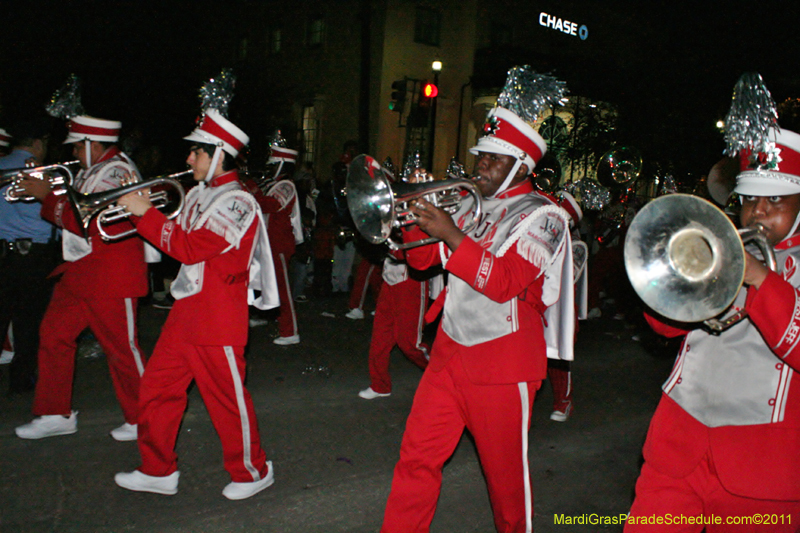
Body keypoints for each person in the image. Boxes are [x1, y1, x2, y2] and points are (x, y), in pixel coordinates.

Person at [380, 68, 572, 532]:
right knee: (416, 458)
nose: (480, 165)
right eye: (481, 155)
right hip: (449, 351)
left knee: (505, 485)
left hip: (503, 364)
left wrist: (449, 231)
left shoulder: (545, 216)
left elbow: (504, 282)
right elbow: (423, 262)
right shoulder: (468, 203)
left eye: (493, 158)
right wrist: (414, 216)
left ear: (521, 166)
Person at [625, 134, 800, 526]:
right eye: (749, 199)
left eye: (775, 199)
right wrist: (685, 273)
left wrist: (759, 278)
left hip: (763, 469)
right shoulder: (724, 245)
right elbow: (662, 326)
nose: (758, 212)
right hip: (678, 446)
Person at [114, 108, 279, 500]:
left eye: (196, 152)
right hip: (187, 309)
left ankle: (253, 472)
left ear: (218, 154)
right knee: (156, 388)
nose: (189, 159)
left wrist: (145, 213)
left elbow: (189, 248)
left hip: (218, 314)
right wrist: (139, 208)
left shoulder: (238, 202)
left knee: (227, 400)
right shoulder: (199, 193)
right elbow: (173, 239)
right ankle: (157, 470)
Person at [14, 114, 148, 442]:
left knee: (122, 349)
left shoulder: (117, 172)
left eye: (77, 147)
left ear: (93, 145)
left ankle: (145, 417)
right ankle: (54, 413)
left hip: (111, 274)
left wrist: (47, 196)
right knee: (53, 335)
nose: (72, 153)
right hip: (81, 270)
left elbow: (89, 221)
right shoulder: (93, 170)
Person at [0, 117, 59, 396]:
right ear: (37, 144)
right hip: (34, 255)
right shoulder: (41, 172)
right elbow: (54, 213)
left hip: (2, 254)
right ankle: (21, 380)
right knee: (30, 321)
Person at [246, 138, 303, 345]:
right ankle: (263, 314)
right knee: (260, 283)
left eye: (273, 164)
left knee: (282, 289)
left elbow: (270, 204)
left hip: (278, 244)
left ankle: (290, 331)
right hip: (266, 243)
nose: (269, 167)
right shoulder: (272, 183)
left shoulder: (286, 185)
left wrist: (250, 189)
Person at [357, 247, 429, 399]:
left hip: (411, 280)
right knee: (380, 337)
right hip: (390, 277)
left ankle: (445, 373)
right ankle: (380, 385)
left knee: (409, 343)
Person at [345, 237, 384, 319]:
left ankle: (357, 307)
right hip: (374, 248)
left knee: (364, 276)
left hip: (376, 249)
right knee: (375, 279)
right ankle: (382, 307)